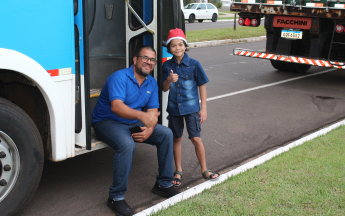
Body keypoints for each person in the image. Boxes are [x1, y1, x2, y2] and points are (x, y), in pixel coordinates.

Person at [92, 46, 180, 216]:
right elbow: (116, 107)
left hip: (132, 123)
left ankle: (163, 184)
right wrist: (142, 116)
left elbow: (153, 112)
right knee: (126, 144)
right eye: (145, 58)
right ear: (135, 59)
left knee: (166, 134)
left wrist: (150, 129)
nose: (149, 62)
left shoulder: (151, 82)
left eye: (152, 60)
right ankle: (116, 197)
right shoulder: (119, 77)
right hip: (107, 122)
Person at [162, 28, 220, 187]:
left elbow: (202, 86)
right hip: (174, 109)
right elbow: (164, 88)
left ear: (185, 45)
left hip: (192, 109)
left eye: (180, 45)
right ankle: (178, 170)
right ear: (169, 48)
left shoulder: (194, 64)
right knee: (176, 138)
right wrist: (168, 79)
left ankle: (205, 170)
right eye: (173, 46)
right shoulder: (167, 66)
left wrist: (204, 108)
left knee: (196, 138)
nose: (177, 48)